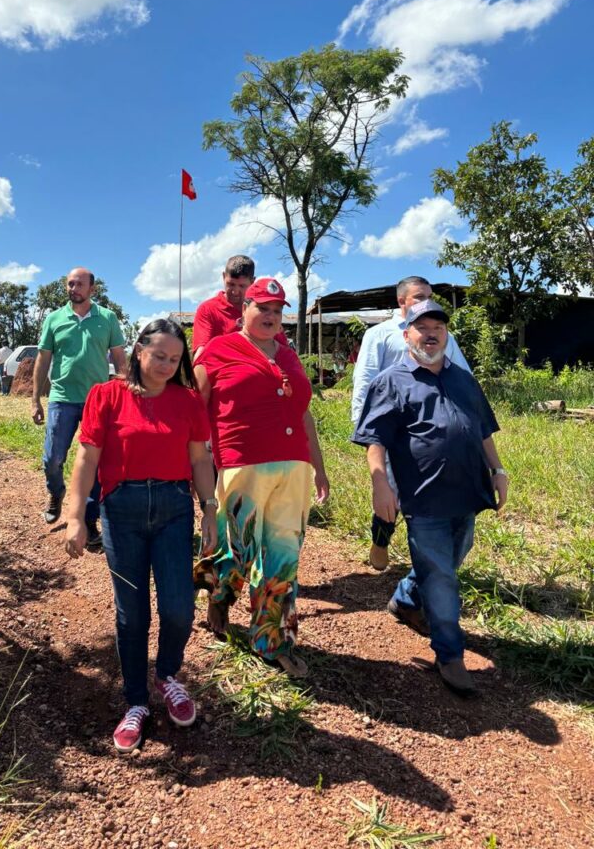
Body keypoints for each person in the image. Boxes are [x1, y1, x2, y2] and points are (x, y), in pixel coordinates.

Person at [65, 319, 216, 753]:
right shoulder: (106, 396)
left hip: (172, 510)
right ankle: (135, 701)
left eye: (175, 358)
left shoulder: (187, 401)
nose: (168, 365)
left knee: (178, 609)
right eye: (159, 356)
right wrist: (77, 516)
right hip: (122, 512)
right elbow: (86, 459)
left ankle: (167, 675)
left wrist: (209, 509)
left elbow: (200, 461)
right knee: (131, 614)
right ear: (137, 351)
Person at [352, 299, 508, 695]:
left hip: (468, 491)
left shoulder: (462, 379)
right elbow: (375, 440)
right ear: (406, 335)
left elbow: (484, 429)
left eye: (439, 326)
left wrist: (499, 470)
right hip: (423, 498)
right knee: (441, 575)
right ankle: (450, 654)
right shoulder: (391, 381)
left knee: (452, 556)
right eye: (423, 327)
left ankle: (406, 598)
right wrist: (379, 484)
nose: (432, 333)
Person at [193, 278, 330, 678]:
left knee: (283, 558)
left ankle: (273, 641)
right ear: (244, 309)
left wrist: (318, 467)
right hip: (241, 463)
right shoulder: (218, 351)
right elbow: (196, 413)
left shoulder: (288, 356)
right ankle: (219, 592)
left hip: (294, 467)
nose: (270, 316)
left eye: (277, 311)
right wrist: (196, 470)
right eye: (263, 308)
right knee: (238, 552)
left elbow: (304, 413)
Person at [351, 276, 471, 571]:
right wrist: (364, 427)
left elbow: (462, 376)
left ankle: (428, 560)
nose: (425, 302)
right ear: (401, 301)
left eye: (429, 296)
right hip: (392, 426)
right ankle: (381, 541)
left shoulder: (444, 335)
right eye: (418, 297)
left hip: (432, 426)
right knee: (389, 490)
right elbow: (365, 379)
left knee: (431, 490)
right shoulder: (381, 334)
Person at [31, 268, 127, 538]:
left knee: (95, 462)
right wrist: (35, 398)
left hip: (98, 401)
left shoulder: (107, 318)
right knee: (52, 458)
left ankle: (89, 517)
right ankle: (56, 491)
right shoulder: (54, 319)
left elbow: (120, 359)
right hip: (62, 398)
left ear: (92, 289)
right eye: (70, 284)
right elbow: (43, 359)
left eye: (79, 284)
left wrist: (125, 392)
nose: (74, 288)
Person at [192, 255, 288, 359]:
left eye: (242, 286)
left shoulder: (264, 311)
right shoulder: (208, 309)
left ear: (252, 282)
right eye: (231, 284)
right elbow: (200, 355)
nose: (235, 291)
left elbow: (284, 353)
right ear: (224, 276)